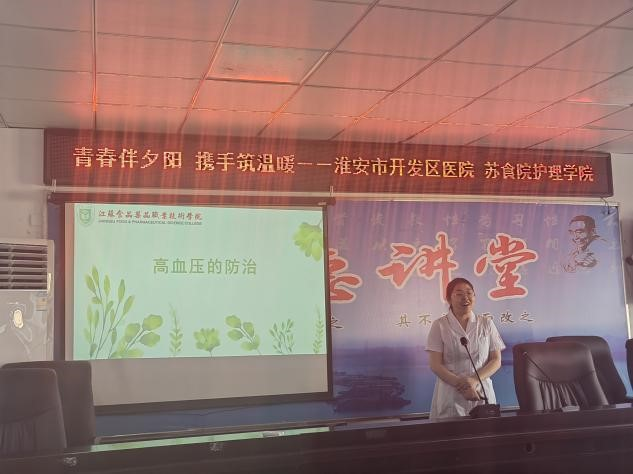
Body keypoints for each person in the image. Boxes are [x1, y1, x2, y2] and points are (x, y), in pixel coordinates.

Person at [425, 277, 505, 420]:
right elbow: (435, 365)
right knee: (452, 433)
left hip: (481, 391)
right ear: (448, 299)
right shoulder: (440, 325)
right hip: (451, 393)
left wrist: (473, 381)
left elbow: (496, 360)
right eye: (459, 294)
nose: (465, 298)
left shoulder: (486, 323)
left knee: (485, 432)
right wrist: (462, 385)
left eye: (469, 293)